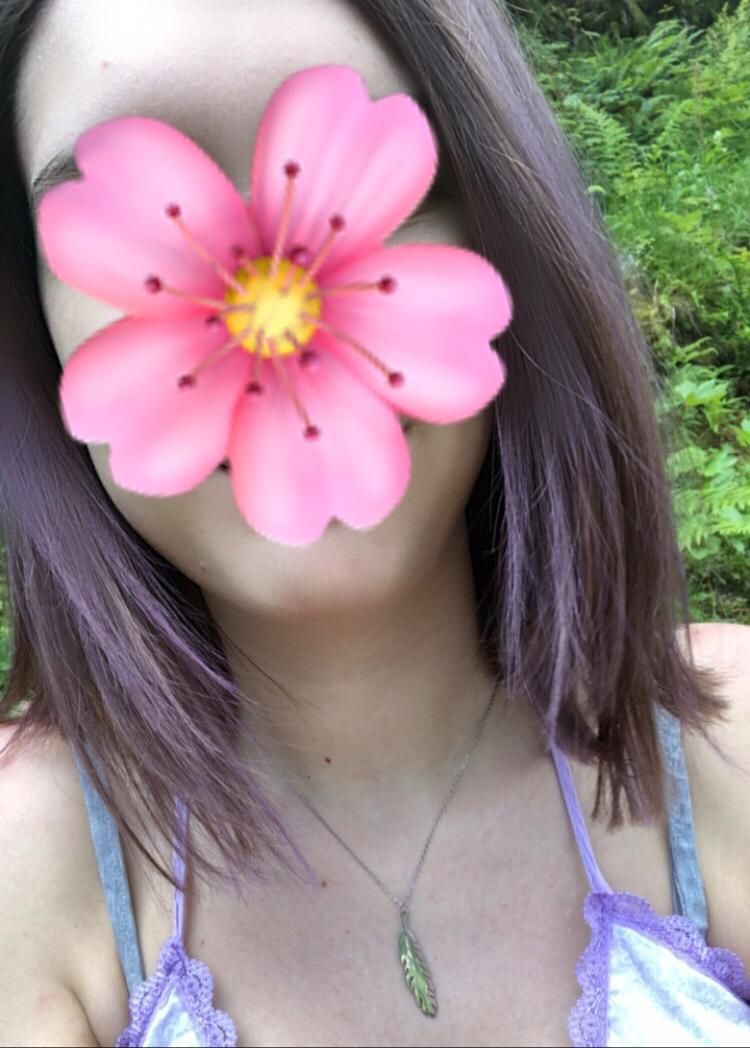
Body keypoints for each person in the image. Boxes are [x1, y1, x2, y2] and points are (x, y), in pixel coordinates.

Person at [0, 0, 748, 1044]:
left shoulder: (730, 741)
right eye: (129, 216)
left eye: (361, 170)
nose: (268, 326)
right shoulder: (24, 868)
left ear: (504, 220)